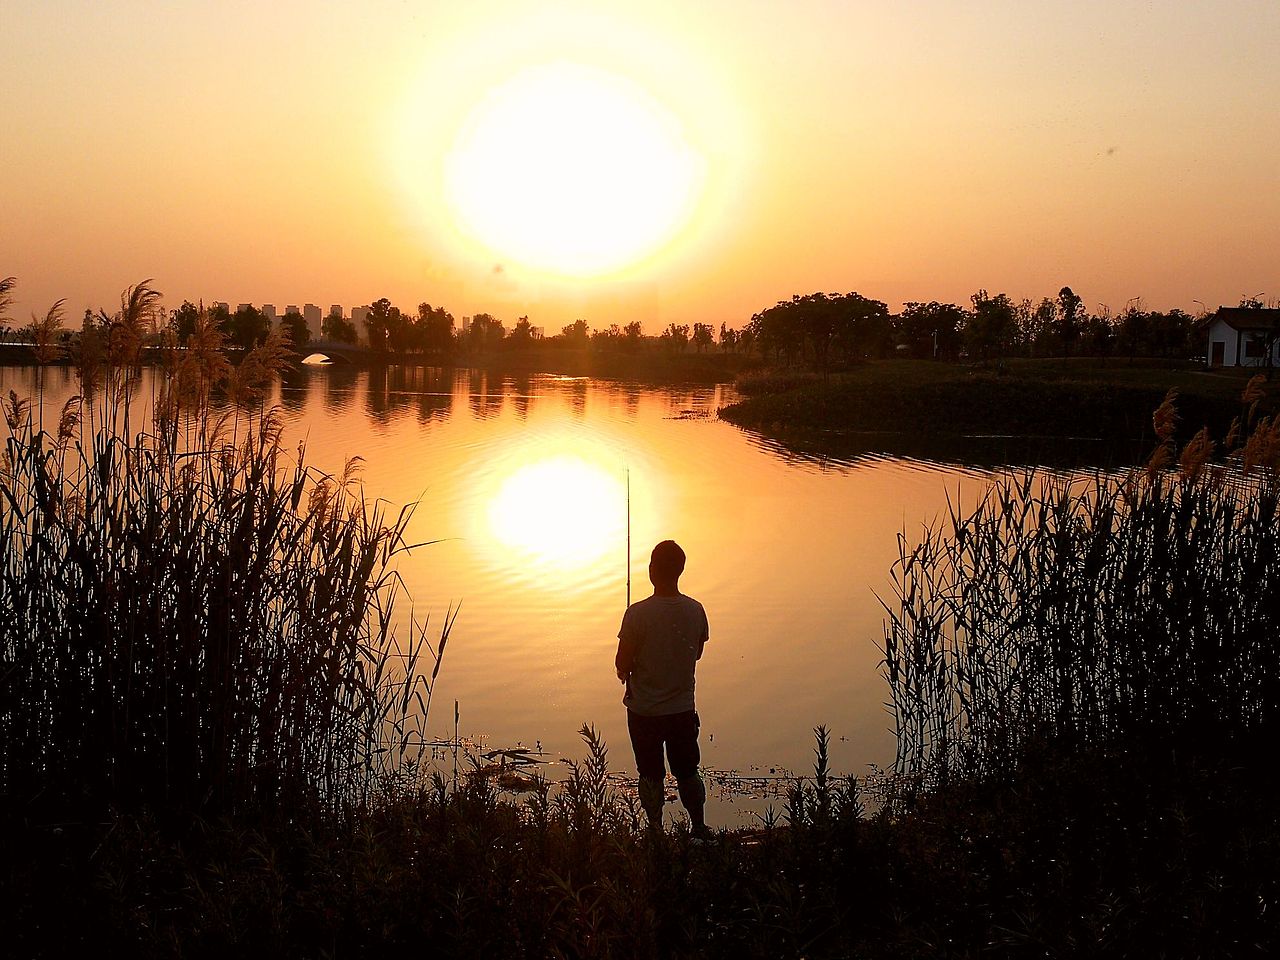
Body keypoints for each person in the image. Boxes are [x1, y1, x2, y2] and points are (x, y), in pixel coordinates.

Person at [615, 539, 711, 839]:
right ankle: (698, 827)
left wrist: (623, 669)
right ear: (680, 570)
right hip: (682, 710)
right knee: (687, 770)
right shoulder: (696, 610)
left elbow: (622, 661)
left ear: (652, 571)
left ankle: (655, 830)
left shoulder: (637, 614)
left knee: (650, 774)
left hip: (644, 711)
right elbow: (696, 652)